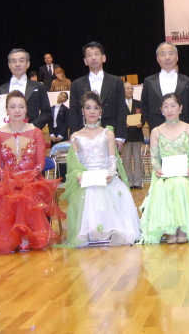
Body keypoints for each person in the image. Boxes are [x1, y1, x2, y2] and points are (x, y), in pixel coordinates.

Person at [0, 91, 65, 254]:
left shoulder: (36, 132)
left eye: (21, 106)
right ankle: (11, 238)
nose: (17, 110)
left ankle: (24, 238)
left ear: (26, 109)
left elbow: (40, 163)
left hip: (33, 180)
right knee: (13, 193)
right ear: (7, 109)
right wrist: (10, 179)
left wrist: (27, 178)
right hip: (7, 181)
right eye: (13, 107)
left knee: (26, 193)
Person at [55, 91, 140, 248]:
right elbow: (74, 163)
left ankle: (108, 231)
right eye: (88, 108)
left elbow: (112, 159)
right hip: (86, 179)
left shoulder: (108, 133)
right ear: (83, 111)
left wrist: (111, 173)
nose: (92, 111)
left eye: (95, 108)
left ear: (101, 111)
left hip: (105, 177)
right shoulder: (75, 136)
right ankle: (90, 232)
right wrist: (79, 175)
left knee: (107, 190)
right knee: (90, 191)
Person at [139, 93, 189, 244]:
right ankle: (171, 229)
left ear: (180, 108)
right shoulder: (156, 131)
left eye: (173, 106)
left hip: (186, 172)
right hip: (165, 173)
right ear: (161, 110)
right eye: (165, 106)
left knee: (180, 183)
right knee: (163, 186)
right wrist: (157, 169)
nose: (169, 110)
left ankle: (182, 229)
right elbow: (154, 157)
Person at [69, 42, 128, 150]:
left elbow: (121, 110)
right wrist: (74, 136)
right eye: (89, 55)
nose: (93, 58)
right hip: (84, 135)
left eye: (96, 54)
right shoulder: (76, 84)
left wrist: (120, 136)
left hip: (110, 133)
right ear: (85, 61)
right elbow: (73, 113)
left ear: (103, 58)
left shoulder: (116, 82)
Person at [140, 42, 189, 132]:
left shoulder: (187, 81)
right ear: (157, 58)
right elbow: (144, 106)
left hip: (182, 129)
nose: (167, 57)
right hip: (157, 129)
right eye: (163, 54)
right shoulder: (149, 81)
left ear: (177, 57)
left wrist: (185, 121)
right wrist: (152, 123)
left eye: (171, 53)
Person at [0, 49, 52, 131]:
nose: (17, 64)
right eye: (14, 61)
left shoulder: (39, 87)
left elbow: (47, 113)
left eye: (21, 61)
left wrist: (31, 127)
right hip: (6, 135)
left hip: (31, 134)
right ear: (9, 65)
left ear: (28, 64)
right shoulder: (0, 90)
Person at [123, 81, 145, 189]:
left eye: (131, 88)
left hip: (137, 135)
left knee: (138, 160)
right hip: (125, 136)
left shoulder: (138, 103)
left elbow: (144, 117)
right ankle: (128, 182)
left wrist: (142, 123)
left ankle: (137, 183)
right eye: (127, 88)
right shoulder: (119, 104)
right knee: (126, 161)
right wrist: (123, 124)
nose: (130, 90)